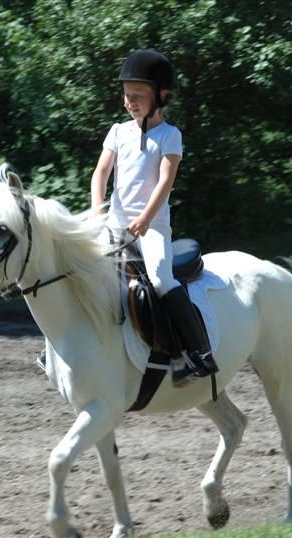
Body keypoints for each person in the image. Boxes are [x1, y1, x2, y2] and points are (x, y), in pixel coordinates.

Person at [90, 48, 218, 387]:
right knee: (85, 272)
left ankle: (199, 355)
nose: (129, 101)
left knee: (161, 280)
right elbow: (101, 172)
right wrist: (96, 209)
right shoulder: (118, 131)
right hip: (115, 225)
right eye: (126, 95)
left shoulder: (169, 135)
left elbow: (165, 181)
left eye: (138, 96)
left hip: (152, 229)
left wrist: (146, 219)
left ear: (160, 96)